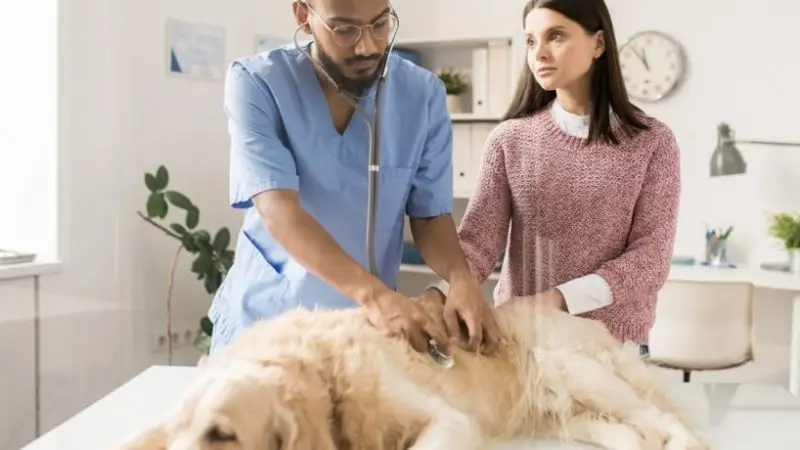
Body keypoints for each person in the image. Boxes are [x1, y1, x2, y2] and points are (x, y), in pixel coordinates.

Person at [207, 0, 500, 356]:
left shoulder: (422, 95)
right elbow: (278, 211)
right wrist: (375, 295)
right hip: (269, 326)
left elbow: (430, 216)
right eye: (345, 29)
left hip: (367, 334)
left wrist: (460, 278)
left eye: (380, 24)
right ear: (303, 15)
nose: (368, 46)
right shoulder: (258, 83)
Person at [425, 0, 680, 354]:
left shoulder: (652, 142)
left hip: (612, 349)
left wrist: (556, 300)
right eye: (531, 41)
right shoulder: (509, 140)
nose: (539, 53)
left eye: (555, 36)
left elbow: (650, 260)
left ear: (599, 44)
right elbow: (478, 244)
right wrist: (437, 294)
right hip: (521, 344)